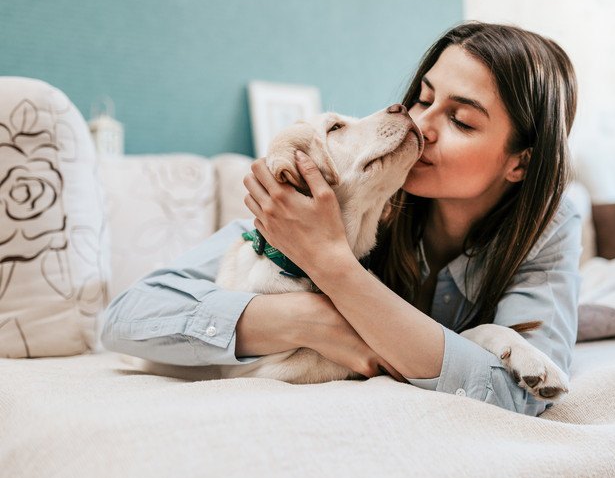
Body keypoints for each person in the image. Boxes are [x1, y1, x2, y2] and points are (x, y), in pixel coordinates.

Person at [100, 21, 582, 416]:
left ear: (521, 161)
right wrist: (312, 319)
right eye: (424, 97)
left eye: (461, 120)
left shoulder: (549, 224)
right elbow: (127, 317)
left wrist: (333, 265)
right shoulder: (354, 193)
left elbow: (519, 395)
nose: (422, 124)